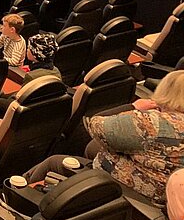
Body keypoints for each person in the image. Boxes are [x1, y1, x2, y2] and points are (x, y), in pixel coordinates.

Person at [23, 70, 184, 205]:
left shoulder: (152, 122)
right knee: (92, 148)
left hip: (117, 190)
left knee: (53, 162)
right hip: (158, 199)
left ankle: (17, 196)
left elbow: (94, 124)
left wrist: (134, 107)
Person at [0, 33, 61, 117]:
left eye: (29, 48)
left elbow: (21, 99)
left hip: (26, 109)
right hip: (42, 105)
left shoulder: (31, 76)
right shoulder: (56, 71)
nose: (27, 50)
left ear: (36, 54)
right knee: (2, 95)